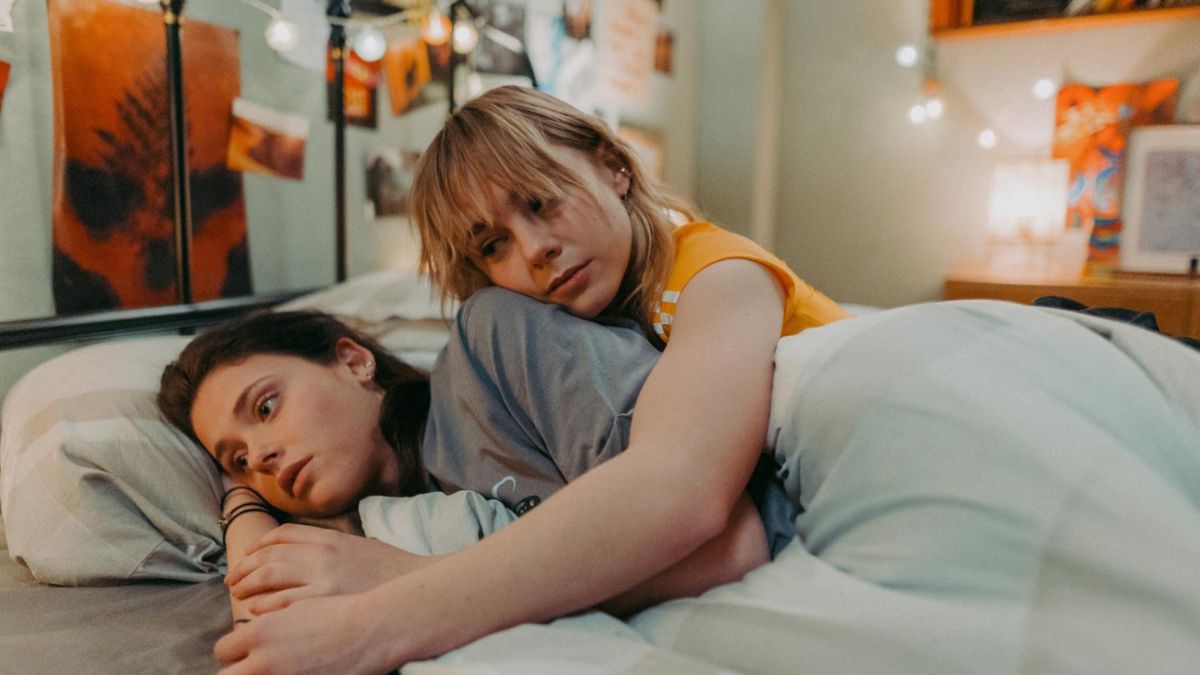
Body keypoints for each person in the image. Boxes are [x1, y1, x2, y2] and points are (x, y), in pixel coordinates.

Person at [196, 85, 847, 673]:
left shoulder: (719, 275)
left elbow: (683, 494)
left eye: (540, 202)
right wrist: (240, 494)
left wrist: (398, 593)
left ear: (614, 167)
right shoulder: (583, 331)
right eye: (492, 246)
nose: (534, 250)